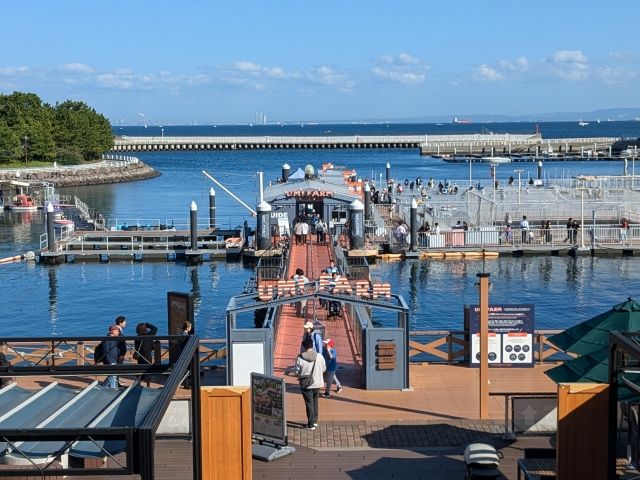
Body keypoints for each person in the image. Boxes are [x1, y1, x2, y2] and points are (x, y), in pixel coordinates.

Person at [294, 336, 326, 430]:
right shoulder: (319, 356)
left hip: (306, 384)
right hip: (318, 383)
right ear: (312, 345)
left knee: (309, 404)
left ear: (304, 347)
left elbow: (296, 372)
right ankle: (315, 421)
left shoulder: (300, 358)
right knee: (315, 402)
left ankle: (310, 424)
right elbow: (324, 369)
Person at [134, 322, 158, 387]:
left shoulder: (137, 337)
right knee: (148, 369)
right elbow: (155, 328)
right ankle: (148, 385)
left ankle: (139, 383)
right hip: (147, 355)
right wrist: (147, 324)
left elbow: (136, 348)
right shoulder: (149, 335)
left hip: (140, 355)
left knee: (140, 369)